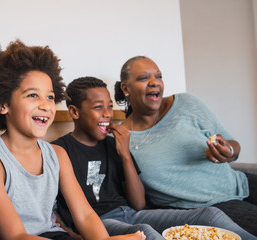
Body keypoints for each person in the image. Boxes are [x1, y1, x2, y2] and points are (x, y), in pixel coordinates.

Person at [0, 40, 145, 240]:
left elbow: (85, 216)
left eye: (50, 97)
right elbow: (16, 236)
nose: (46, 105)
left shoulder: (57, 154)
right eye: (33, 95)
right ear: (3, 105)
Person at [52, 76, 257, 240]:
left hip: (128, 212)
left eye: (109, 106)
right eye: (98, 107)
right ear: (74, 112)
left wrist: (124, 154)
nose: (107, 114)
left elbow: (138, 203)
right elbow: (54, 208)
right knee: (145, 233)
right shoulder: (60, 150)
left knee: (210, 216)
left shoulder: (114, 144)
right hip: (97, 222)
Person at [114, 56, 257, 236]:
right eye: (144, 78)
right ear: (125, 87)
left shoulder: (187, 103)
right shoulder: (122, 138)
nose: (154, 83)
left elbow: (234, 145)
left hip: (241, 184)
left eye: (158, 76)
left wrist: (227, 152)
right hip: (207, 209)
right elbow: (136, 200)